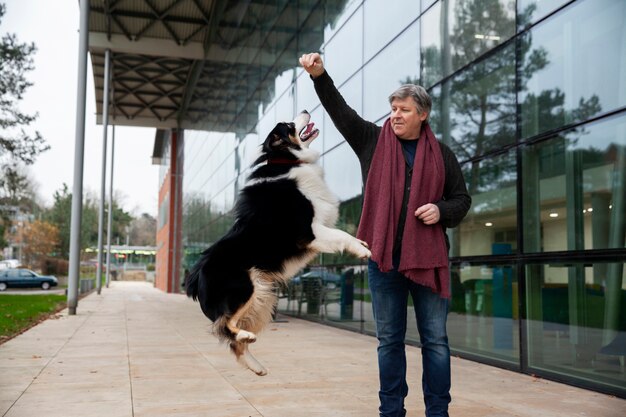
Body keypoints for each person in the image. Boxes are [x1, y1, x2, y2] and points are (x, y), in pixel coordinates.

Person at [299, 52, 471, 417]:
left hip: (428, 261)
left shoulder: (443, 155)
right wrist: (319, 76)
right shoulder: (372, 141)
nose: (395, 114)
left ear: (422, 115)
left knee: (436, 343)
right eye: (393, 108)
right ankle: (391, 411)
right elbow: (339, 111)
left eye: (404, 109)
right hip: (383, 262)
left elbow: (462, 200)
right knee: (389, 341)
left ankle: (438, 412)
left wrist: (442, 210)